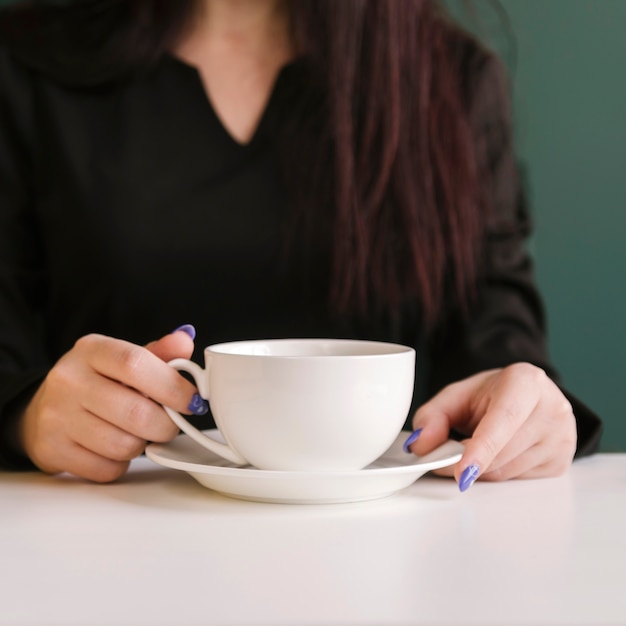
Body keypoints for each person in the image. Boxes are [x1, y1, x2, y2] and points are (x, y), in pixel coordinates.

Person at [0, 0, 602, 490]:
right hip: (100, 541)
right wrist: (26, 416)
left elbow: (500, 344)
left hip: (397, 552)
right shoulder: (23, 66)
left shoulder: (450, 83)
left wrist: (528, 411)